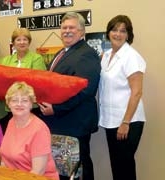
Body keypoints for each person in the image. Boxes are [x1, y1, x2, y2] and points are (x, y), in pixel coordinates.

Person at [38, 12, 101, 180]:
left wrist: (56, 109)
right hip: (62, 123)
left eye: (71, 27)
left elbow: (86, 90)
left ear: (81, 31)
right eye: (64, 27)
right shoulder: (63, 52)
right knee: (64, 169)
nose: (67, 31)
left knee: (78, 167)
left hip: (74, 122)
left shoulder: (86, 54)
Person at [98, 15, 146, 180]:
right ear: (109, 32)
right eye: (114, 30)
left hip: (128, 121)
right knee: (117, 166)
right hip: (111, 120)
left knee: (124, 168)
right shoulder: (106, 55)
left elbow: (137, 92)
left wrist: (125, 122)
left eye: (122, 31)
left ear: (128, 35)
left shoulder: (131, 56)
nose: (117, 34)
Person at [0, 82, 59, 180]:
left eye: (24, 100)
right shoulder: (11, 122)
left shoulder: (39, 129)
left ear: (31, 104)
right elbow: (4, 160)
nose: (19, 104)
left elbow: (37, 172)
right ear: (8, 103)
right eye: (14, 100)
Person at [0, 27, 46, 132]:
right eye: (18, 39)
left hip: (31, 107)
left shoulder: (36, 58)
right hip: (11, 107)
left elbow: (38, 83)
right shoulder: (5, 60)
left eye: (25, 39)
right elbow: (1, 82)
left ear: (29, 42)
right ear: (13, 43)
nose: (22, 42)